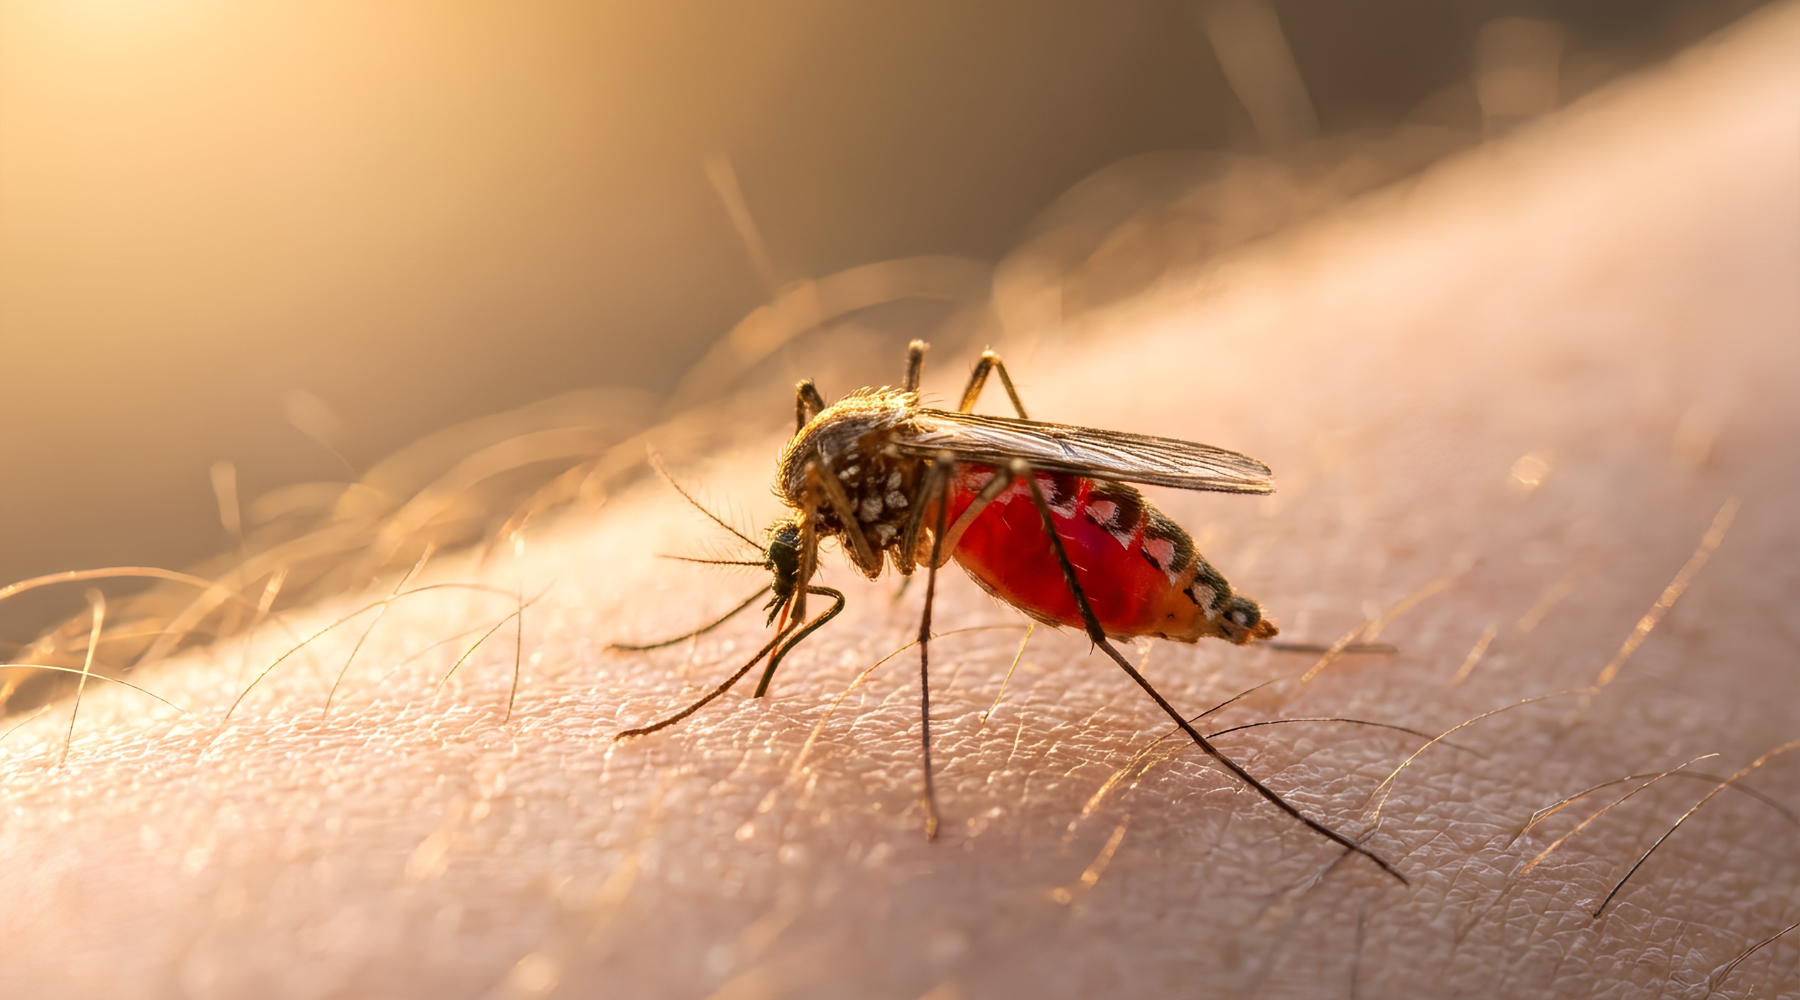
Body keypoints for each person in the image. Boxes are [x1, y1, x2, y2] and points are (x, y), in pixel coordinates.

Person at [1, 10, 1796, 997]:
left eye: (798, 571)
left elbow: (905, 524)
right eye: (796, 568)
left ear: (823, 515)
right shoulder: (828, 483)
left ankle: (1205, 650)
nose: (803, 581)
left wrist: (954, 589)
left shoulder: (884, 493)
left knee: (975, 524)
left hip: (1052, 523)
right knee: (955, 479)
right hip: (988, 484)